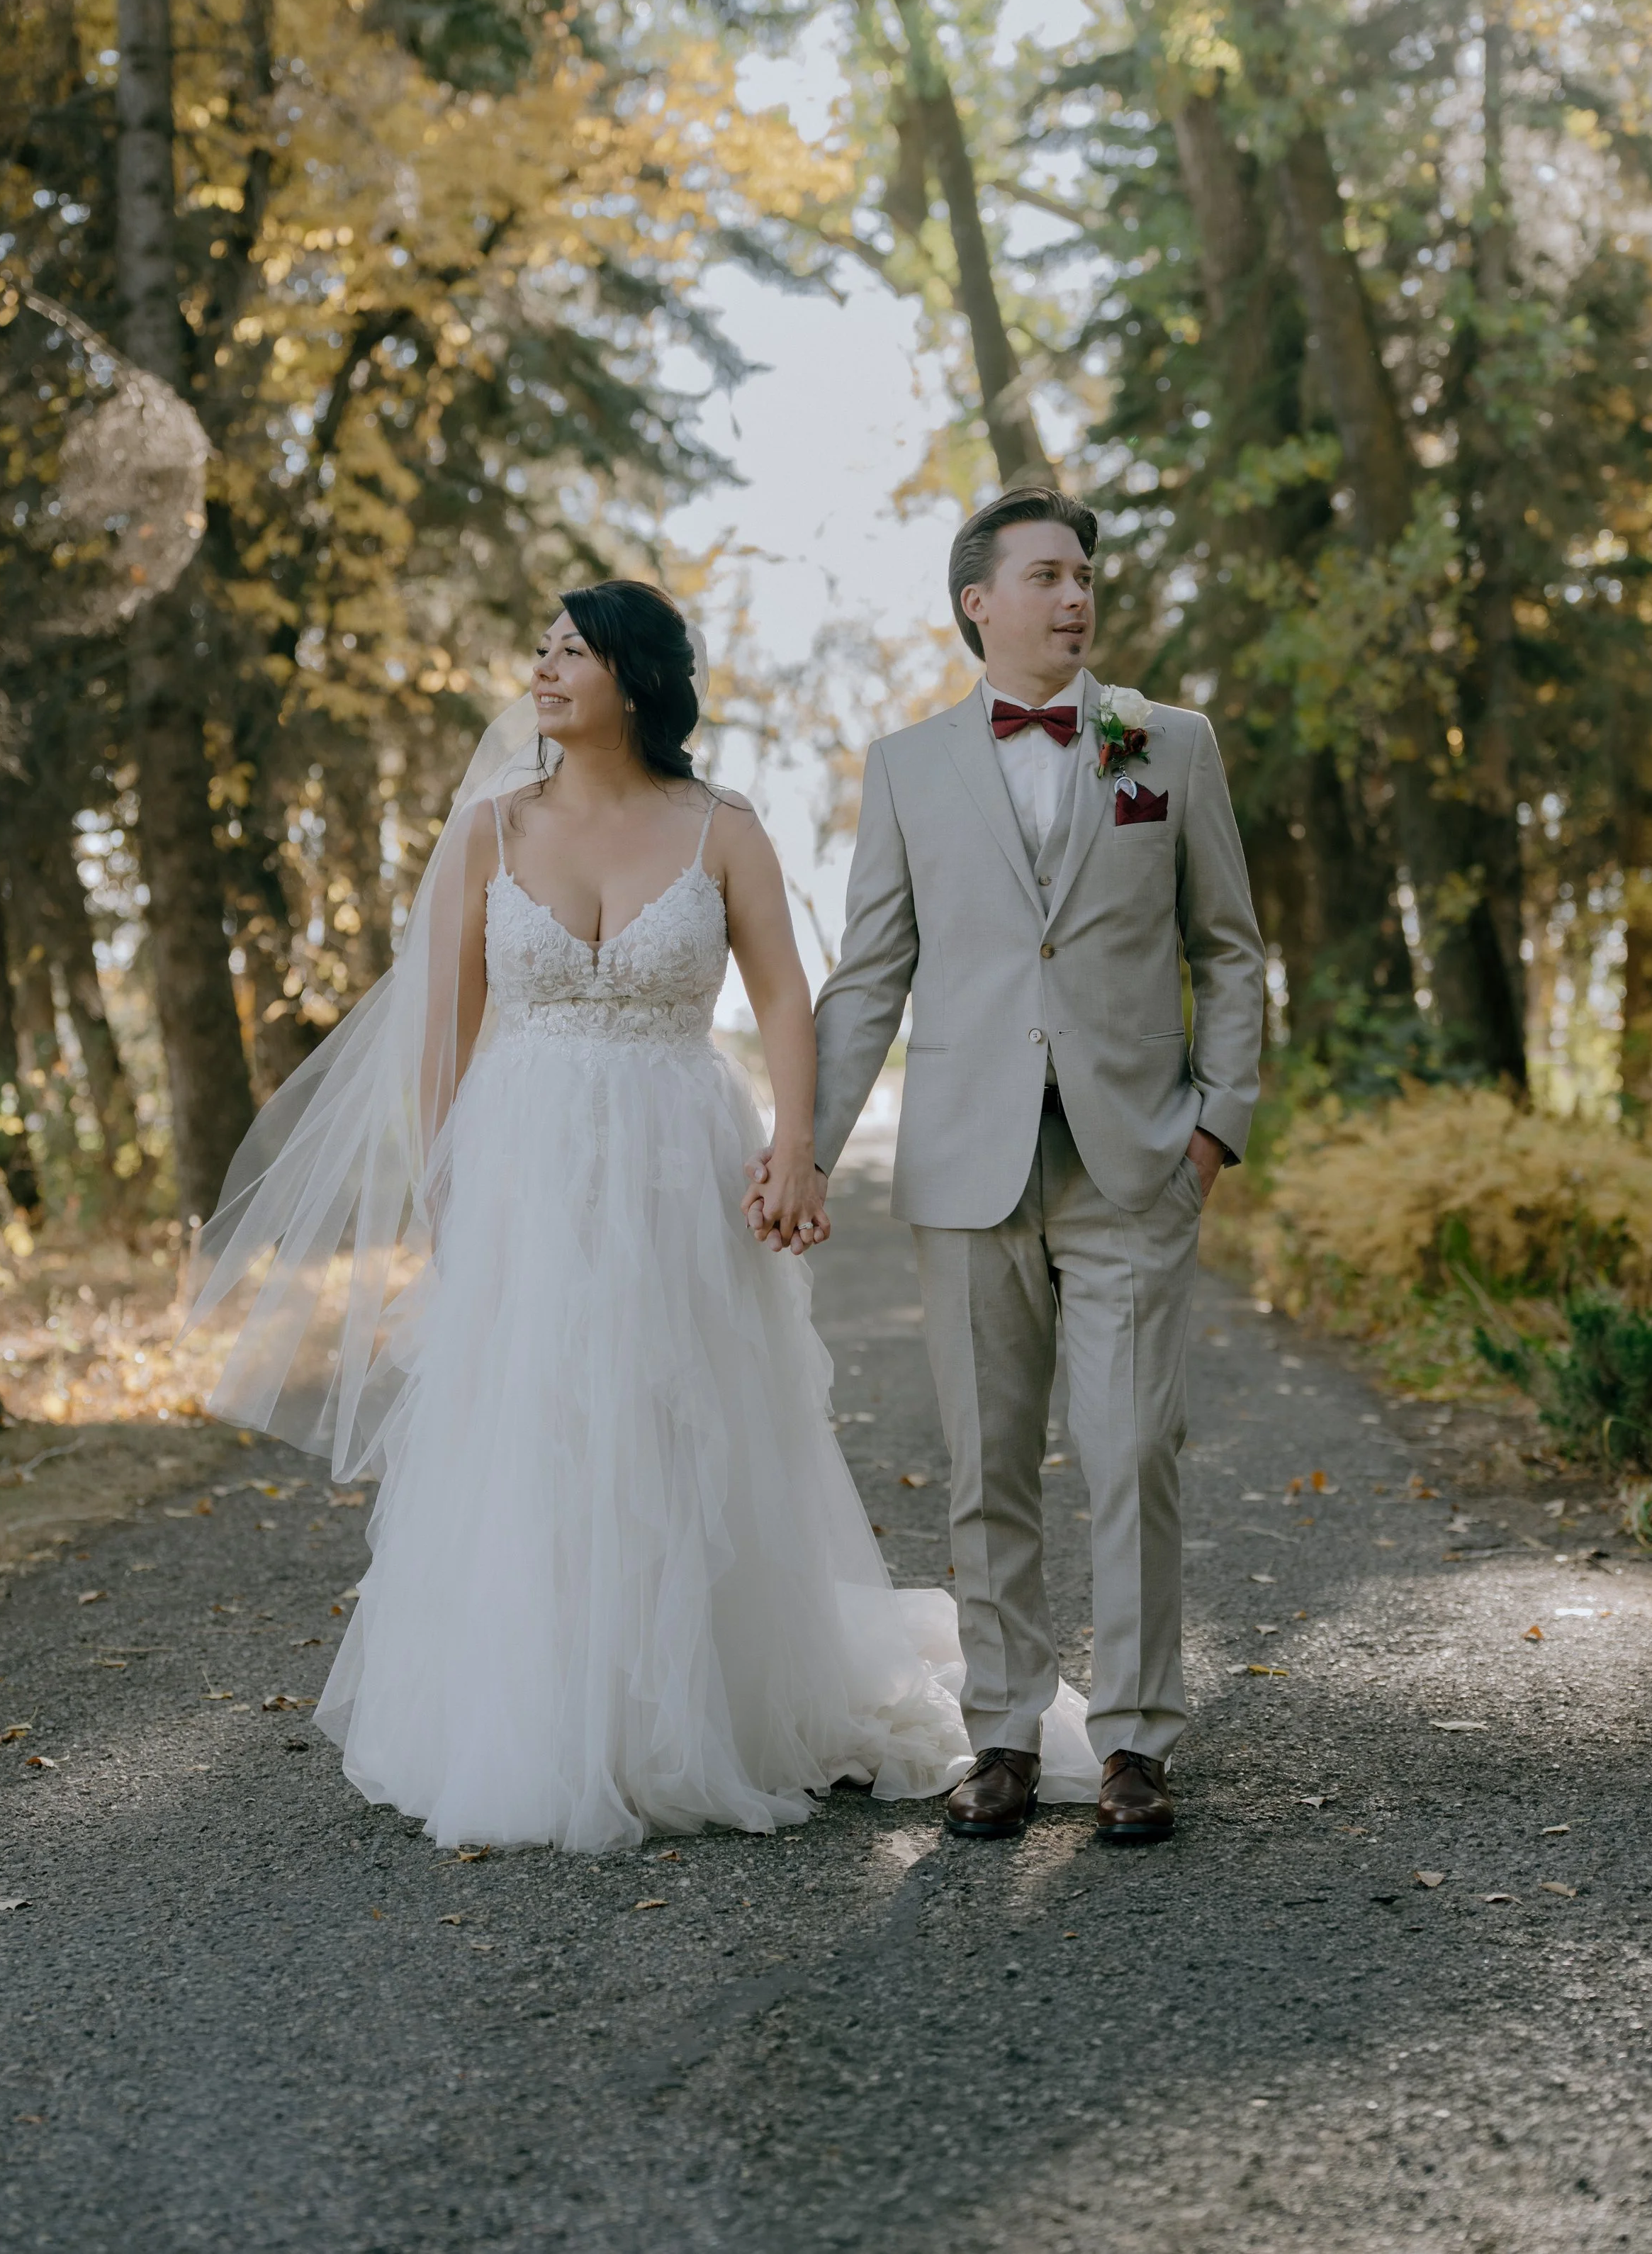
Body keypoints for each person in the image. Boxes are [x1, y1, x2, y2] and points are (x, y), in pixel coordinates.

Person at [187, 579, 1097, 1852]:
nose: (547, 669)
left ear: (640, 679)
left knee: (686, 1407)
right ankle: (551, 1713)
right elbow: (441, 1033)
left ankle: (712, 1703)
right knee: (542, 1422)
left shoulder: (722, 827)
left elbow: (788, 997)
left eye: (577, 651)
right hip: (527, 1161)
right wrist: (450, 1187)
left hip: (682, 1152)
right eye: (544, 648)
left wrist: (797, 1149)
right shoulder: (489, 835)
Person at [777, 486, 1264, 1845]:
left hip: (1134, 1162)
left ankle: (1136, 1743)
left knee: (1130, 1452)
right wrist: (802, 1151)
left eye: (1084, 575)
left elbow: (1226, 945)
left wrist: (1217, 1124)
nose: (1075, 595)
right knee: (989, 1460)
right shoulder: (907, 765)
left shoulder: (1170, 743)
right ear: (977, 600)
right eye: (1045, 575)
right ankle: (998, 1730)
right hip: (966, 1161)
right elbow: (870, 974)